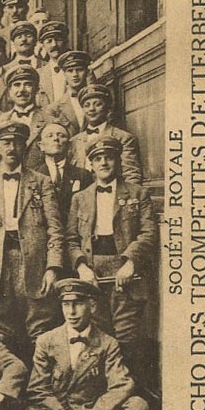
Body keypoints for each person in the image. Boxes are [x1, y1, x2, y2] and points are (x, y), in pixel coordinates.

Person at [0, 121, 64, 362]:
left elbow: (55, 230)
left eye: (17, 143)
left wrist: (52, 267)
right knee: (0, 334)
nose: (11, 148)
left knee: (39, 330)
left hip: (33, 266)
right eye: (6, 142)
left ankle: (40, 382)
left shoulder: (41, 182)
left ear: (24, 147)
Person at [22, 279, 149, 410]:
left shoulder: (107, 343)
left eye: (78, 304)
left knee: (138, 405)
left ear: (92, 306)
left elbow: (121, 385)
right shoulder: (46, 341)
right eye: (66, 304)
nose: (71, 312)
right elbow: (37, 389)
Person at [65, 136, 157, 377]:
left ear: (117, 161)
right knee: (97, 334)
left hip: (124, 272)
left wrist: (131, 262)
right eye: (98, 159)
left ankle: (130, 390)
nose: (103, 163)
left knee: (127, 335)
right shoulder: (79, 198)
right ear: (91, 164)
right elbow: (71, 240)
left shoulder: (138, 194)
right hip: (92, 273)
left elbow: (148, 232)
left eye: (109, 157)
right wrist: (82, 267)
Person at [67, 84, 143, 185]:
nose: (91, 109)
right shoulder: (74, 141)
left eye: (97, 104)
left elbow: (131, 175)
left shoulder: (123, 138)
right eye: (87, 105)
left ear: (107, 108)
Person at [0, 65, 66, 170]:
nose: (22, 90)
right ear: (9, 91)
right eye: (17, 85)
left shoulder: (50, 121)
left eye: (27, 84)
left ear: (36, 89)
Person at [32, 122, 93, 226]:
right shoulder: (33, 175)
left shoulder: (83, 175)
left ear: (69, 145)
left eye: (61, 136)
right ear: (41, 145)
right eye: (50, 136)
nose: (56, 139)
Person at [47, 50, 94, 131]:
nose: (75, 74)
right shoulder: (55, 109)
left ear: (87, 72)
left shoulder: (98, 102)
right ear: (64, 74)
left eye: (79, 70)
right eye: (70, 71)